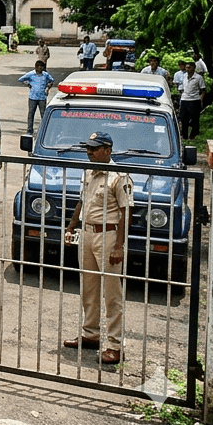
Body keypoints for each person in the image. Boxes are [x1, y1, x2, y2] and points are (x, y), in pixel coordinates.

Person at [61, 131, 130, 365]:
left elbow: (125, 212)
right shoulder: (89, 171)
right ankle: (90, 335)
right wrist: (71, 227)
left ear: (108, 150)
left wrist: (119, 245)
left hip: (108, 236)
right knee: (88, 287)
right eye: (88, 148)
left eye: (94, 148)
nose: (89, 152)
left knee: (112, 292)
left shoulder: (118, 176)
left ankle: (115, 345)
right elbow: (82, 201)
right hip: (88, 233)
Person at [17, 60, 56, 135]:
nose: (40, 69)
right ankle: (29, 130)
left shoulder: (45, 75)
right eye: (39, 67)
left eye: (42, 67)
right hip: (33, 97)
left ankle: (44, 129)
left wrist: (48, 88)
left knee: (43, 114)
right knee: (31, 114)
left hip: (42, 97)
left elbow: (51, 81)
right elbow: (21, 79)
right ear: (36, 67)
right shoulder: (31, 74)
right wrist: (28, 84)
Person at [178, 62, 207, 140]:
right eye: (186, 67)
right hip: (184, 99)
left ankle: (192, 136)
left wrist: (201, 99)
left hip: (194, 100)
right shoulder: (184, 77)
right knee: (184, 119)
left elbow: (203, 90)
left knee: (194, 120)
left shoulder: (198, 77)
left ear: (193, 68)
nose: (187, 69)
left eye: (189, 67)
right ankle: (184, 137)